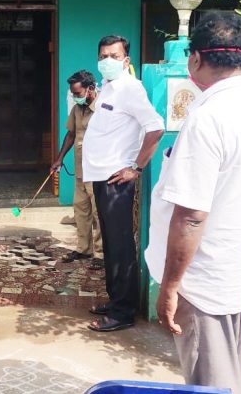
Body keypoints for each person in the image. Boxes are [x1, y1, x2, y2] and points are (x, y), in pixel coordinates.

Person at [145, 11, 241, 393]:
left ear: (195, 59)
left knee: (212, 381)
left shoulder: (207, 119)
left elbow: (191, 216)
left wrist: (170, 286)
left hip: (204, 284)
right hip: (240, 272)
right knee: (232, 372)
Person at [82, 35, 165, 332]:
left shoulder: (130, 89)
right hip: (101, 176)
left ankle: (123, 313)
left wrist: (136, 168)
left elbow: (155, 128)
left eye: (114, 56)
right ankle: (116, 300)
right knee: (111, 244)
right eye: (103, 56)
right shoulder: (108, 87)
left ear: (126, 60)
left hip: (116, 179)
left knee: (120, 246)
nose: (107, 61)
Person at [51, 70, 103, 270]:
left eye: (77, 93)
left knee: (98, 213)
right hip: (81, 170)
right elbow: (71, 134)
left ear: (90, 89)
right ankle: (84, 249)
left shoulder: (103, 108)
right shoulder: (77, 109)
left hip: (98, 171)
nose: (74, 97)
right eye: (72, 93)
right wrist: (59, 159)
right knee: (81, 210)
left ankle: (101, 253)